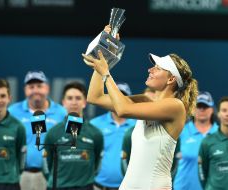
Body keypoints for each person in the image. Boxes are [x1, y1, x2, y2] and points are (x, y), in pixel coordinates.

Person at [82, 25, 198, 190]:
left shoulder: (175, 106)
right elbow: (95, 97)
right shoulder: (145, 100)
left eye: (157, 68)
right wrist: (105, 57)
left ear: (171, 78)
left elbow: (122, 110)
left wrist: (106, 73)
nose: (150, 69)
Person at [9, 71, 67, 190]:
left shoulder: (61, 113)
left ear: (47, 88)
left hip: (51, 176)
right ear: (25, 90)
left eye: (39, 86)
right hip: (21, 175)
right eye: (31, 87)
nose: (35, 90)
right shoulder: (13, 112)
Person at [44, 81, 104, 190]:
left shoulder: (95, 133)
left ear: (85, 102)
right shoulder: (53, 133)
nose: (74, 102)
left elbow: (96, 164)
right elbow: (47, 164)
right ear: (63, 102)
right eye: (70, 98)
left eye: (78, 98)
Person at [90, 82, 136, 190]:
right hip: (98, 186)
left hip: (129, 187)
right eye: (114, 95)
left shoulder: (138, 126)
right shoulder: (95, 124)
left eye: (122, 96)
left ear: (129, 100)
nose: (117, 99)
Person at [173, 91, 219, 190]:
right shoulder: (180, 132)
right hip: (183, 187)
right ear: (193, 110)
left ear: (211, 110)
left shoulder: (220, 133)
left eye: (205, 107)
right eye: (199, 106)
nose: (202, 110)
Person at [198, 96, 228, 190]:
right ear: (218, 114)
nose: (227, 114)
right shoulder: (207, 142)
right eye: (224, 110)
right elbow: (202, 172)